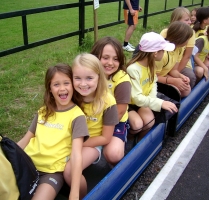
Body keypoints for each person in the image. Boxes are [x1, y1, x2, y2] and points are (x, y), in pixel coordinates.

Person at [17, 63, 89, 200]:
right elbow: (25, 140)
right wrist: (8, 156)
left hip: (52, 173)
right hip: (28, 164)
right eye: (56, 84)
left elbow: (76, 155)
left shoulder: (77, 116)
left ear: (73, 85)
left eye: (66, 83)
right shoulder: (43, 111)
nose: (62, 88)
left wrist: (74, 193)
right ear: (50, 89)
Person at [64, 53, 119, 193]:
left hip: (92, 143)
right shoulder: (72, 96)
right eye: (77, 78)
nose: (83, 84)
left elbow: (105, 138)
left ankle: (83, 195)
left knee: (70, 172)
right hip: (67, 139)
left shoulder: (108, 101)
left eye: (89, 78)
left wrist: (78, 144)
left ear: (99, 77)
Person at [126, 32, 178, 142]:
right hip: (129, 104)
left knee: (149, 121)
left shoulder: (151, 65)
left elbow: (153, 84)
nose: (164, 53)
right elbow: (136, 98)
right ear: (155, 53)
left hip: (144, 101)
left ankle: (140, 142)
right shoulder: (133, 69)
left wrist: (152, 99)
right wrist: (160, 103)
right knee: (137, 125)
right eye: (162, 50)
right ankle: (128, 140)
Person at [91, 37, 131, 165]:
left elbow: (119, 112)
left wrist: (99, 131)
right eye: (105, 57)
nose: (110, 63)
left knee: (113, 155)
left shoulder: (122, 79)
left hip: (115, 122)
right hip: (91, 119)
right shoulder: (89, 75)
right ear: (95, 57)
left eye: (115, 59)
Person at [161, 7, 197, 88]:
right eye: (187, 20)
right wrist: (172, 78)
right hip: (164, 66)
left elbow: (187, 56)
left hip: (179, 64)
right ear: (176, 21)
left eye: (190, 19)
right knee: (180, 87)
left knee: (189, 80)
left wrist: (178, 75)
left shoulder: (180, 47)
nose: (190, 22)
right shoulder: (165, 34)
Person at [156, 21, 193, 97]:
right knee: (175, 91)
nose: (188, 41)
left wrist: (181, 77)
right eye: (187, 39)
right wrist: (173, 81)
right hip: (153, 80)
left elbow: (173, 70)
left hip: (163, 77)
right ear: (180, 39)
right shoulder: (163, 54)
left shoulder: (179, 49)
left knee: (186, 89)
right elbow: (153, 78)